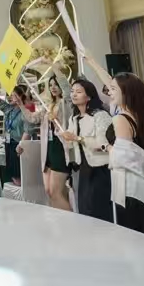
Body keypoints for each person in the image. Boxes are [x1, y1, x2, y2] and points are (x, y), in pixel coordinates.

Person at [106, 73, 144, 240]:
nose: (109, 92)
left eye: (113, 89)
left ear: (126, 92)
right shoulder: (142, 114)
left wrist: (109, 148)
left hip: (130, 189)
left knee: (135, 240)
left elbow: (123, 158)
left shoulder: (121, 118)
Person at [59, 78, 113, 222]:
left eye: (78, 92)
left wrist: (78, 138)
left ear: (88, 96)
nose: (74, 94)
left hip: (100, 168)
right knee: (84, 208)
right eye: (72, 91)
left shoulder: (100, 115)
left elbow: (103, 144)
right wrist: (64, 135)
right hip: (82, 168)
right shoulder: (74, 118)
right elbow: (70, 144)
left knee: (99, 209)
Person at [38, 72, 72, 211]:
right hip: (49, 148)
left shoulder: (66, 103)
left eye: (56, 84)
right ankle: (60, 219)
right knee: (49, 191)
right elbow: (33, 118)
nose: (53, 87)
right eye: (51, 85)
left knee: (55, 192)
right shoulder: (48, 105)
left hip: (60, 147)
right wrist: (21, 104)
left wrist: (55, 68)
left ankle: (72, 220)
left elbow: (67, 89)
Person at [0, 83, 34, 186]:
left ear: (21, 96)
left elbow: (28, 130)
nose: (10, 97)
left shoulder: (26, 111)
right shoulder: (9, 109)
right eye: (10, 95)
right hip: (8, 143)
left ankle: (23, 193)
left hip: (20, 145)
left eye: (13, 95)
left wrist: (21, 144)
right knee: (12, 174)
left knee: (19, 175)